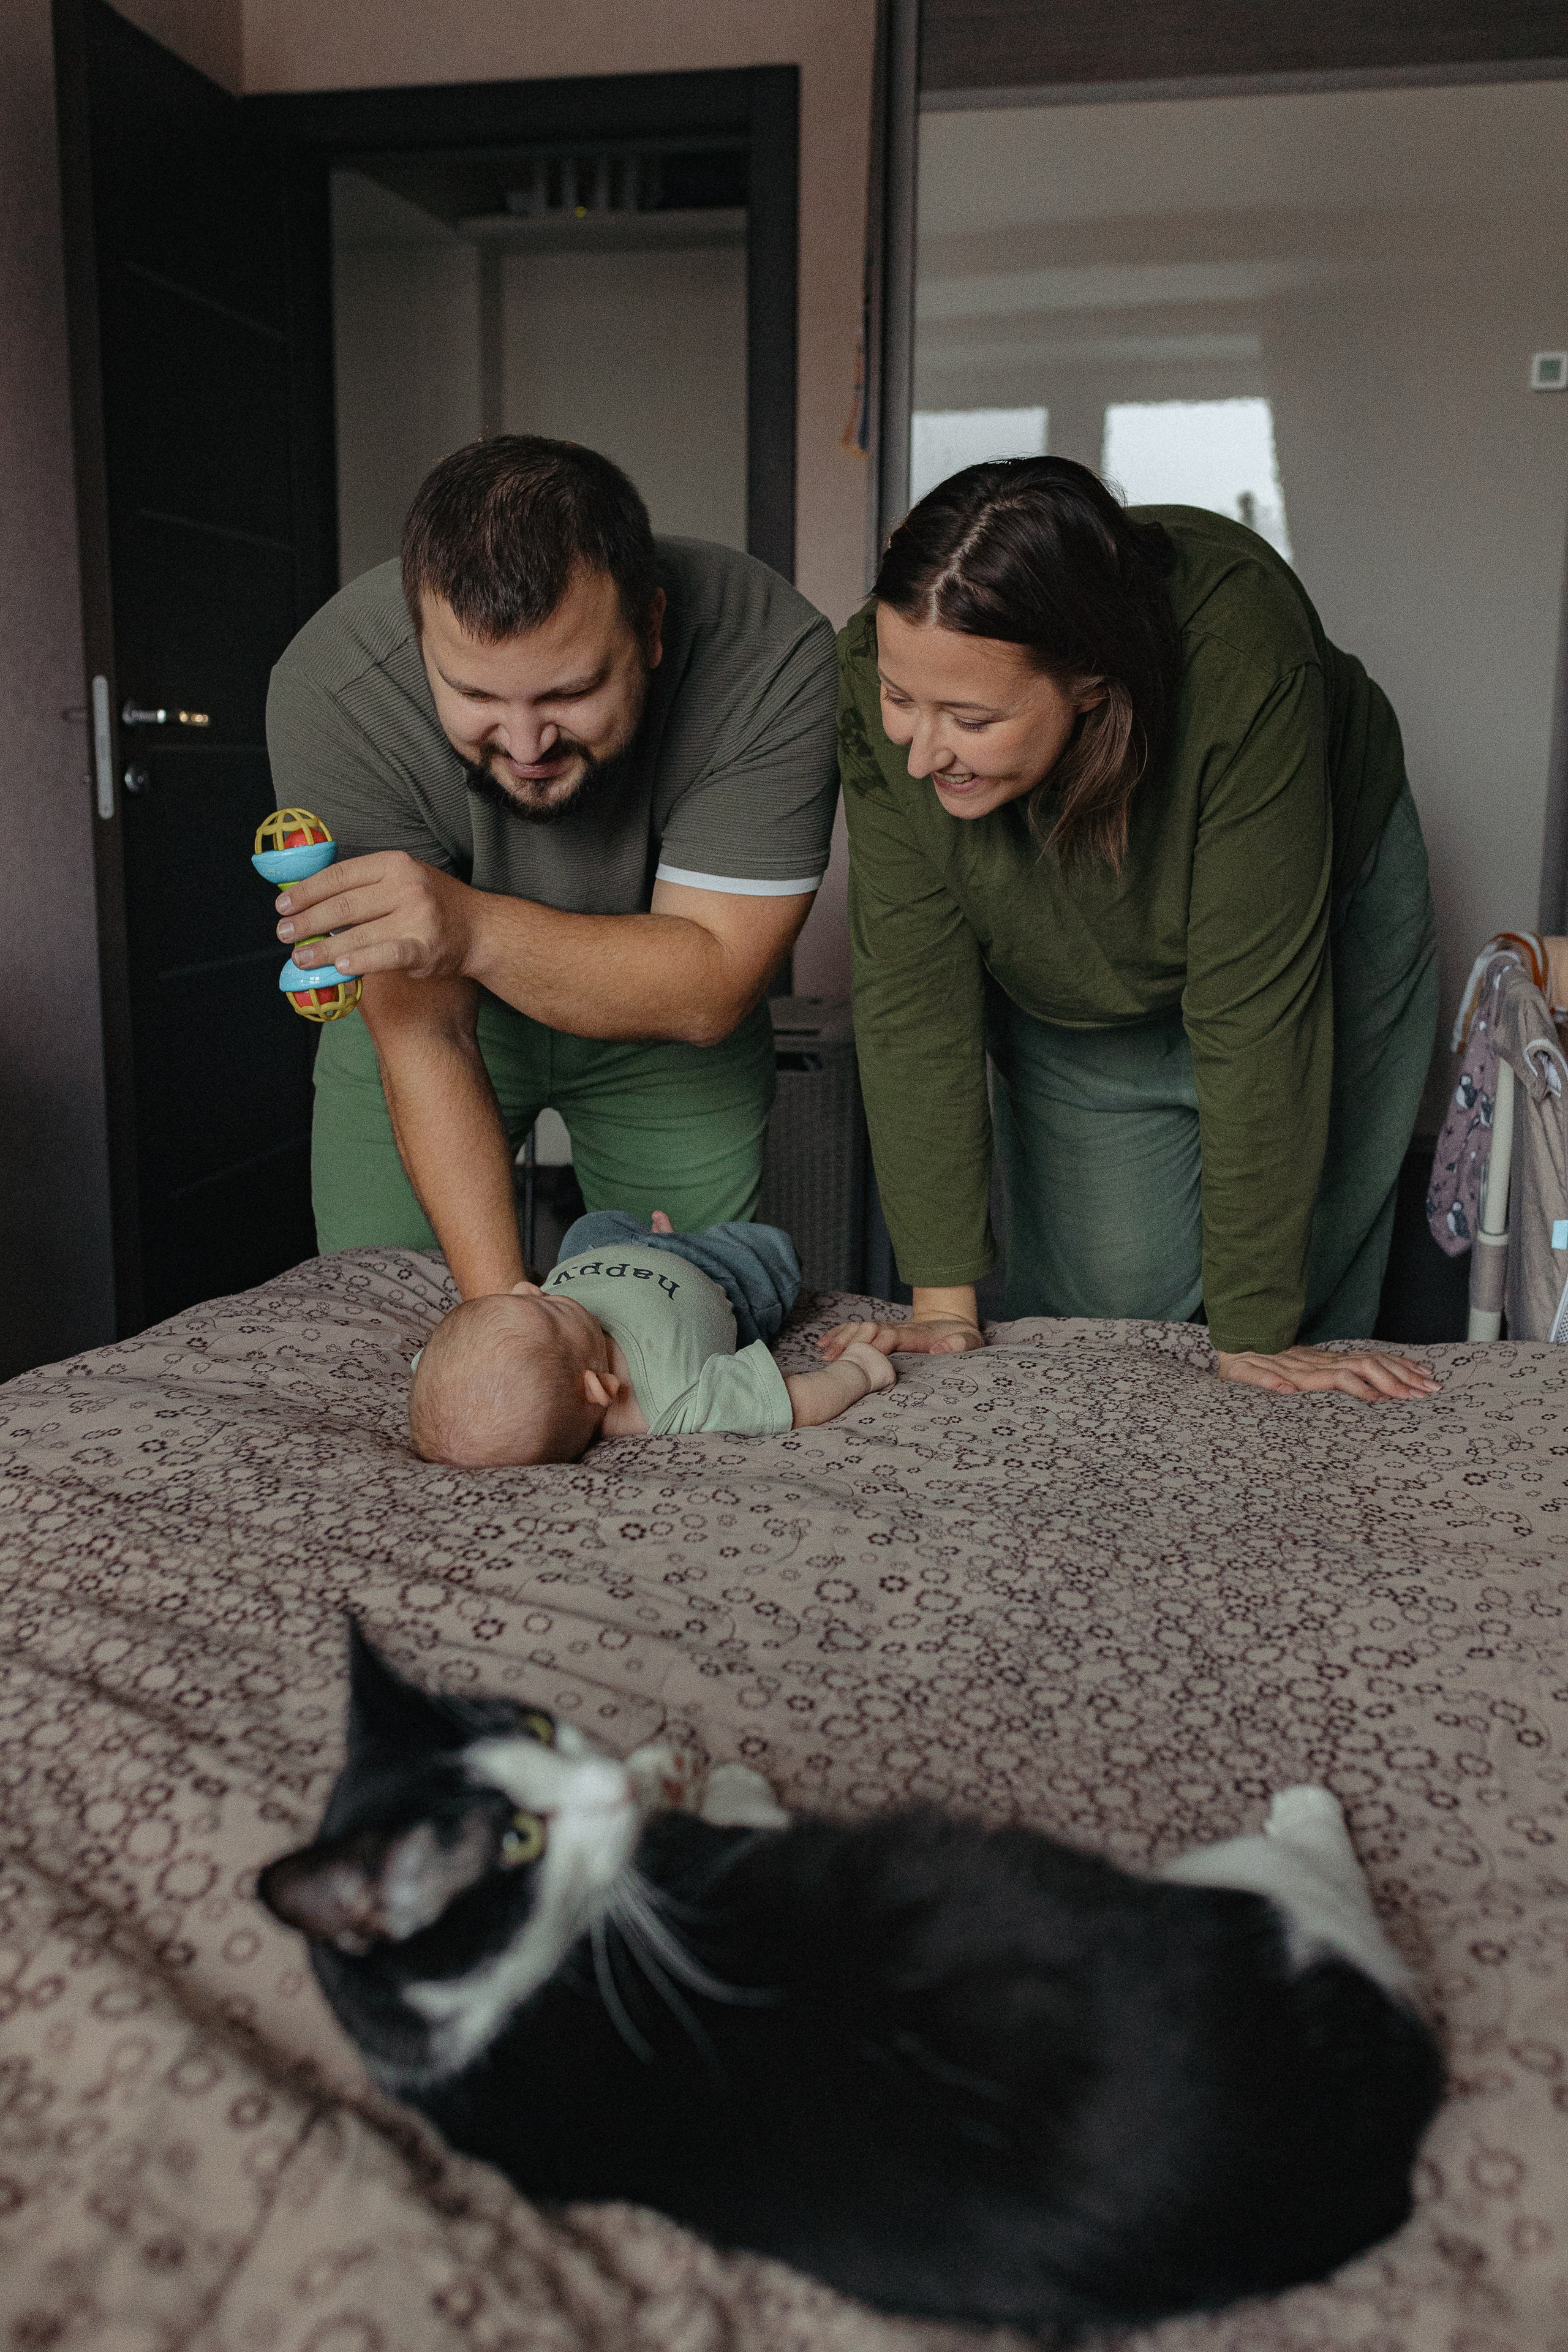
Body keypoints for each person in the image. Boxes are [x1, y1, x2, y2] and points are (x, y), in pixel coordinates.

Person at [823, 458, 1441, 1403]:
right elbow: (912, 987)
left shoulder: (1241, 655)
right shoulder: (881, 671)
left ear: (1091, 682)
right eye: (904, 701)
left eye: (972, 718)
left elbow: (1257, 1015)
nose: (920, 751)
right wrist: (944, 1303)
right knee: (1107, 1314)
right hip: (1076, 956)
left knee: (1295, 1294)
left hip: (1304, 935)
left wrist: (1257, 1333)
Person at [265, 437, 837, 1300]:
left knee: (682, 1324)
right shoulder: (338, 686)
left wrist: (469, 926)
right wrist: (504, 1320)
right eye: (477, 697)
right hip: (435, 1013)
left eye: (568, 694)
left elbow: (712, 981)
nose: (527, 746)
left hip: (667, 1021)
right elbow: (424, 1029)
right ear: (420, 640)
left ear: (649, 627)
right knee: (391, 1310)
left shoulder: (769, 654)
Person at [409, 1210, 895, 1466]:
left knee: (589, 1225)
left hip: (603, 1250)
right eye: (550, 1307)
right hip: (718, 1275)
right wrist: (858, 1371)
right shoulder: (672, 1401)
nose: (526, 1286)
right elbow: (793, 1400)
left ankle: (651, 1234)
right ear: (597, 1388)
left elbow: (450, 1371)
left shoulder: (487, 1371)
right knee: (772, 1249)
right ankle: (686, 1240)